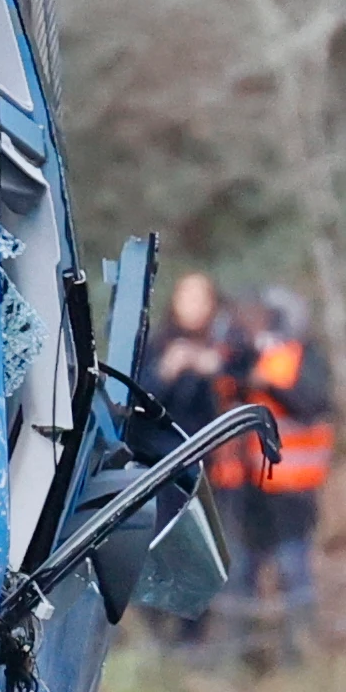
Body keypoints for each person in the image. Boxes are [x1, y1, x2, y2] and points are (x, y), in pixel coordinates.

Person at [221, 287, 336, 666]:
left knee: (293, 570)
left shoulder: (306, 357)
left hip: (294, 487)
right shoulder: (252, 356)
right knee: (242, 572)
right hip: (251, 485)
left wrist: (268, 385)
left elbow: (311, 403)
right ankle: (239, 657)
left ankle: (297, 657)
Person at [140, 270, 247, 649]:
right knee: (155, 549)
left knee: (201, 552)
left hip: (213, 472)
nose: (193, 307)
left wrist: (212, 368)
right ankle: (157, 638)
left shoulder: (227, 346)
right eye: (186, 297)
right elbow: (135, 402)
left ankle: (194, 639)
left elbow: (249, 383)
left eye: (201, 299)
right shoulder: (155, 346)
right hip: (159, 470)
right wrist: (167, 370)